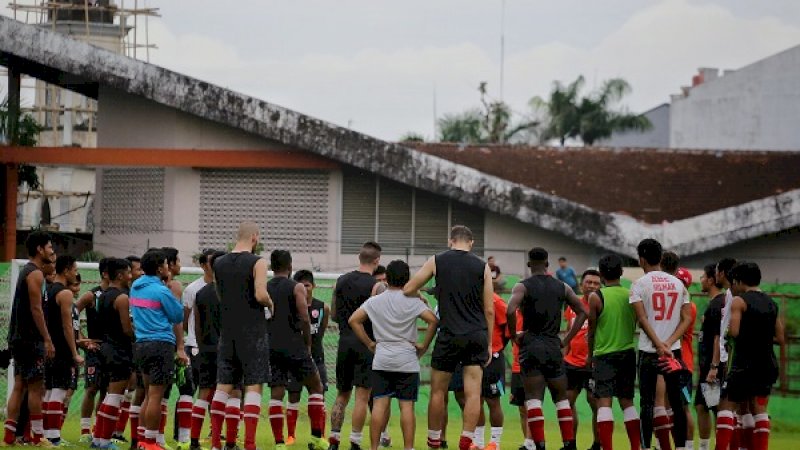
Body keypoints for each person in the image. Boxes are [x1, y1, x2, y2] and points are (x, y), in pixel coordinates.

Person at [403, 226, 494, 450]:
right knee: (473, 392)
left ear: (450, 241)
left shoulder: (437, 261)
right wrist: (489, 342)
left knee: (438, 391)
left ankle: (434, 438)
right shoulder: (482, 266)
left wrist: (422, 297)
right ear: (471, 243)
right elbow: (490, 310)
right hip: (476, 335)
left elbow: (408, 288)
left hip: (449, 334)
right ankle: (466, 439)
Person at [349, 260, 438, 450]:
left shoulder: (375, 301)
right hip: (407, 358)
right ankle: (408, 448)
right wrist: (423, 346)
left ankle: (373, 447)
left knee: (379, 405)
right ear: (408, 279)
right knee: (407, 407)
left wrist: (369, 343)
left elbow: (353, 320)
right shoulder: (413, 302)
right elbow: (433, 321)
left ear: (386, 278)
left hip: (382, 358)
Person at [507, 247, 587, 450]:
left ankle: (539, 445)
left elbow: (509, 309)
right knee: (561, 399)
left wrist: (514, 335)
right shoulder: (563, 287)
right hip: (553, 346)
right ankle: (569, 444)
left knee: (533, 399)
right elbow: (582, 311)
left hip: (531, 345)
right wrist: (566, 339)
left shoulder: (522, 286)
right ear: (547, 264)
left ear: (528, 264)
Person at [209, 222, 273, 450]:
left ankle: (216, 443)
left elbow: (219, 293)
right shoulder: (258, 262)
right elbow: (260, 293)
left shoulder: (218, 262)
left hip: (227, 332)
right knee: (254, 386)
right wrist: (270, 303)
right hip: (252, 331)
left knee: (223, 385)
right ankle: (249, 444)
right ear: (255, 237)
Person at [629, 239, 691, 450]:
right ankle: (681, 447)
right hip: (673, 353)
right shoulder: (678, 283)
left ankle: (646, 447)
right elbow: (687, 319)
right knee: (677, 403)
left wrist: (658, 344)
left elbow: (642, 319)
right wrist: (669, 343)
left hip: (649, 352)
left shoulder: (639, 284)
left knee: (647, 403)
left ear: (642, 259)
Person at [715, 262, 783, 450]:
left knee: (726, 406)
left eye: (733, 283)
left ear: (738, 281)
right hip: (767, 363)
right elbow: (780, 337)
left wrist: (727, 333)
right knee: (759, 410)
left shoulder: (739, 301)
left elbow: (734, 332)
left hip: (744, 363)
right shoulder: (772, 303)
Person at [265, 250, 327, 450]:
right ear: (290, 266)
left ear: (271, 267)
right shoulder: (296, 287)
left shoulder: (264, 287)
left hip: (271, 345)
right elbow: (304, 316)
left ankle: (279, 443)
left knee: (277, 392)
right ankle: (317, 438)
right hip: (294, 345)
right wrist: (307, 344)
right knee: (316, 387)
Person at [130, 249, 187, 450]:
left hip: (141, 344)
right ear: (159, 268)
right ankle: (151, 442)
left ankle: (142, 440)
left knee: (147, 394)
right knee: (156, 396)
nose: (167, 267)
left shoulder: (135, 287)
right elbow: (177, 315)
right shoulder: (162, 291)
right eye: (164, 264)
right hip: (160, 344)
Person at [3, 231, 56, 447]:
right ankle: (36, 437)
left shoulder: (27, 271)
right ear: (40, 249)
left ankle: (8, 437)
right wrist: (47, 339)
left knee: (19, 386)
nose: (52, 251)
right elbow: (36, 309)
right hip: (30, 339)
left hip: (18, 338)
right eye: (50, 247)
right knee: (36, 388)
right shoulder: (35, 274)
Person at [329, 242, 383, 450]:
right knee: (362, 396)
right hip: (366, 344)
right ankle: (355, 442)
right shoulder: (376, 286)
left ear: (359, 258)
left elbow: (334, 314)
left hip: (344, 342)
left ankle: (333, 440)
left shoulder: (340, 281)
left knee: (342, 393)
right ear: (376, 261)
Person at [586, 255, 641, 450]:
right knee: (627, 401)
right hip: (627, 353)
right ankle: (636, 446)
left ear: (600, 274)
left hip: (604, 356)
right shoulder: (631, 295)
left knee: (604, 402)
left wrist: (589, 355)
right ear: (621, 272)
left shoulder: (596, 297)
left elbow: (591, 330)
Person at [92, 258, 134, 450]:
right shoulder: (122, 298)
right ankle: (105, 441)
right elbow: (127, 329)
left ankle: (97, 439)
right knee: (116, 396)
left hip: (106, 348)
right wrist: (140, 335)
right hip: (119, 350)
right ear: (120, 275)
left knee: (109, 395)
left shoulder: (103, 296)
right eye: (128, 272)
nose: (130, 276)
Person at [284, 270, 330, 445]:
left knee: (319, 397)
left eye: (307, 285)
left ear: (313, 286)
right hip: (295, 359)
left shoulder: (323, 308)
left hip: (317, 359)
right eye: (301, 285)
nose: (304, 288)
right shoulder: (292, 307)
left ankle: (319, 435)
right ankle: (291, 436)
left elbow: (321, 331)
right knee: (293, 396)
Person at [175, 249, 215, 450]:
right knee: (192, 390)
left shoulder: (225, 288)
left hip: (217, 347)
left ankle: (215, 433)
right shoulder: (193, 289)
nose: (213, 266)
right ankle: (184, 436)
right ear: (203, 265)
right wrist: (186, 344)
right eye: (209, 262)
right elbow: (185, 319)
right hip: (196, 347)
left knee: (217, 392)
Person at [43, 255, 83, 445]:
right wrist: (74, 352)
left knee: (50, 391)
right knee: (58, 391)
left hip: (49, 347)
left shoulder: (48, 290)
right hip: (61, 349)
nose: (76, 274)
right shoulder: (65, 293)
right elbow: (68, 327)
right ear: (66, 270)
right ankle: (53, 437)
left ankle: (46, 434)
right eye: (74, 269)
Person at [564, 269, 602, 450]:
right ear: (581, 285)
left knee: (595, 403)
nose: (592, 286)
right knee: (567, 403)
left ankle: (597, 445)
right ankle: (571, 444)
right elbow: (567, 332)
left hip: (594, 363)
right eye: (589, 282)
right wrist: (564, 355)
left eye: (596, 283)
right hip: (572, 363)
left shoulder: (602, 306)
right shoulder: (572, 306)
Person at [77, 258, 111, 442]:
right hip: (94, 349)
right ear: (106, 273)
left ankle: (99, 430)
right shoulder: (92, 295)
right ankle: (84, 432)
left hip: (112, 350)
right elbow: (73, 313)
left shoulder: (121, 294)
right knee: (92, 389)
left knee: (107, 391)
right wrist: (82, 340)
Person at [696, 264, 724, 450]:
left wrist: (714, 367)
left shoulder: (716, 304)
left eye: (703, 277)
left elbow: (717, 338)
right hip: (708, 365)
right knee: (702, 406)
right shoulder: (716, 303)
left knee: (715, 408)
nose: (701, 280)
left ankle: (719, 446)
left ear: (711, 279)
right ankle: (706, 446)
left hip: (713, 367)